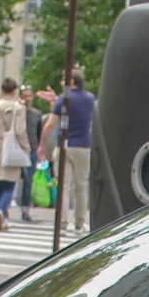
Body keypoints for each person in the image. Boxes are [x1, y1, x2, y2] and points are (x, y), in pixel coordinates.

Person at [47, 69, 98, 235]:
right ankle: (80, 223)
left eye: (64, 80)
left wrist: (42, 143)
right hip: (84, 145)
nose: (62, 83)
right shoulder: (90, 99)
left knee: (64, 185)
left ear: (71, 82)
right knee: (81, 186)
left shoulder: (64, 99)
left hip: (65, 145)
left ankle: (62, 223)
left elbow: (51, 123)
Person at [0, 77, 31, 227]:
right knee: (10, 183)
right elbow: (20, 130)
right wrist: (26, 147)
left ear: (2, 90)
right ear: (15, 90)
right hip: (11, 147)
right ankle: (1, 210)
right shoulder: (19, 107)